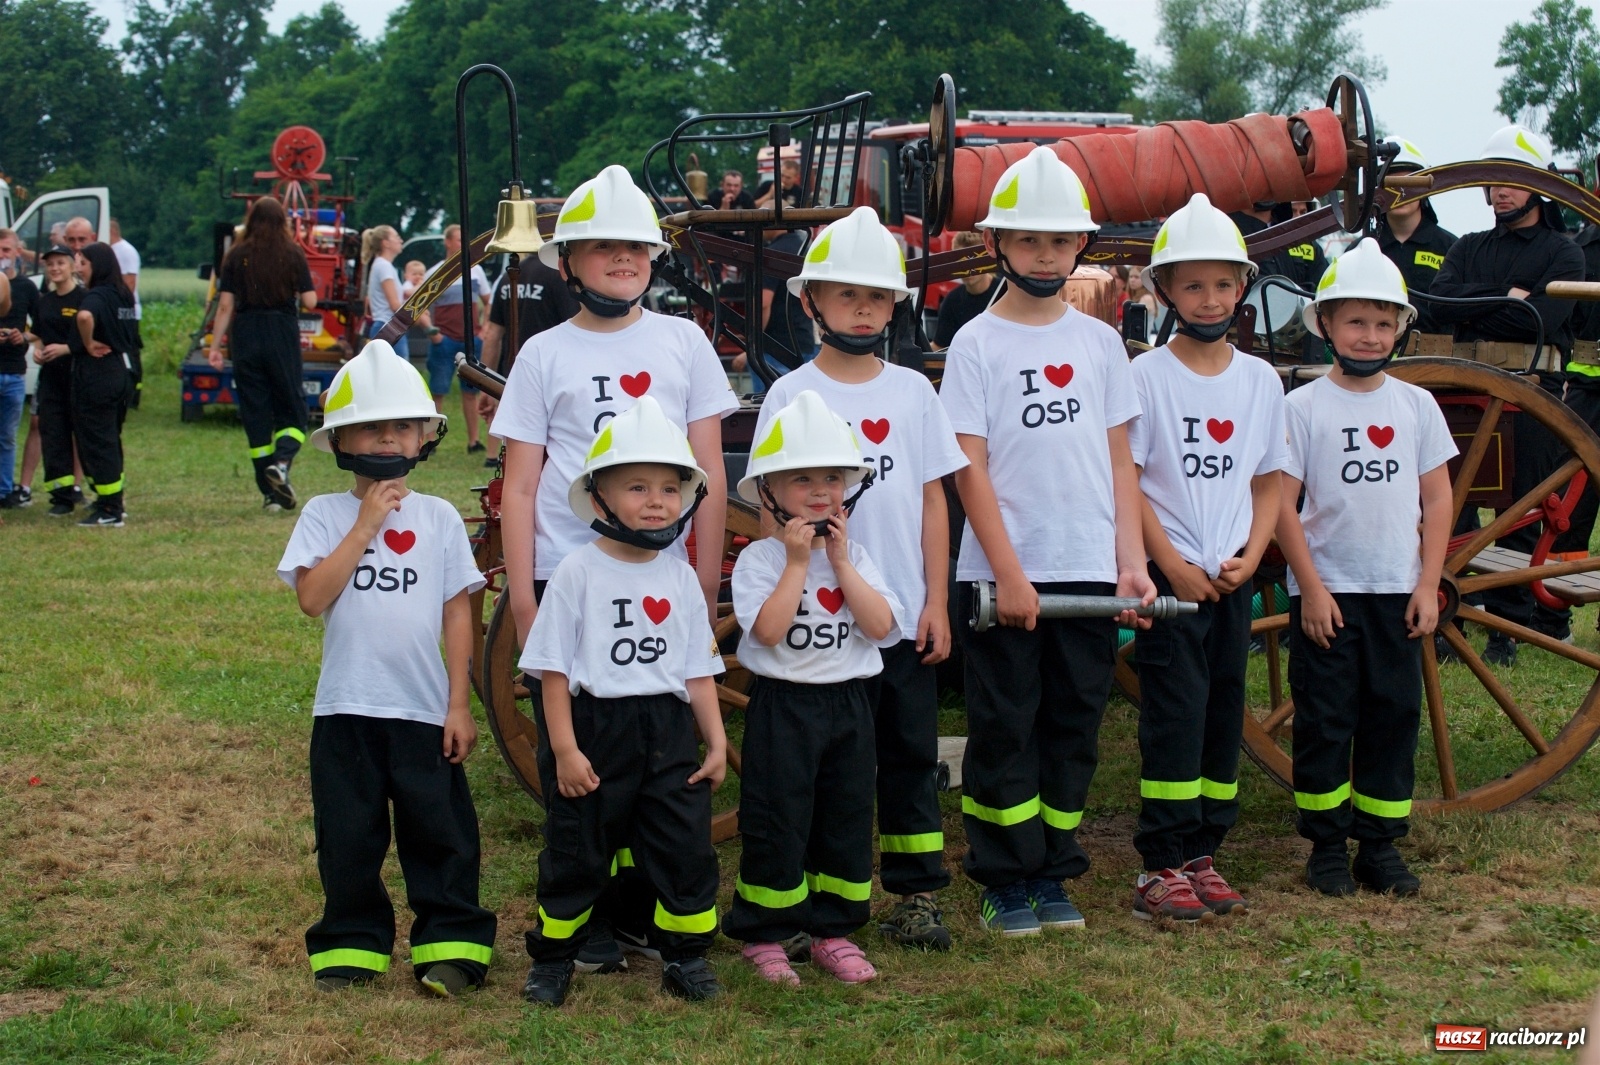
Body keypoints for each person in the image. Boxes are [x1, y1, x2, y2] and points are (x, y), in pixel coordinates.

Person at [490, 165, 736, 972]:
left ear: (654, 257)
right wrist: (526, 597)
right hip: (574, 577)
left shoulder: (683, 341)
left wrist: (699, 579)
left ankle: (638, 914)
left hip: (662, 574)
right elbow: (521, 485)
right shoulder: (542, 354)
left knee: (655, 761)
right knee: (588, 768)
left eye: (635, 246)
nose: (621, 259)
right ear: (570, 262)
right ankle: (585, 921)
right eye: (602, 248)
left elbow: (708, 469)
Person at [939, 146, 1154, 935]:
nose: (1043, 254)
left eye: (1058, 241)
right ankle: (1002, 875)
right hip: (1005, 581)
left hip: (1090, 572)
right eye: (1027, 239)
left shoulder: (1099, 346)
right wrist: (1009, 571)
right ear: (998, 244)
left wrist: (1130, 562)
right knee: (1005, 726)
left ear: (1080, 248)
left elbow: (1120, 463)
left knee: (1072, 727)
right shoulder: (975, 344)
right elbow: (970, 468)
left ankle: (1052, 869)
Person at [752, 207, 969, 950]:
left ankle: (915, 894)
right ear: (811, 301)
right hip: (819, 631)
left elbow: (935, 500)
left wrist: (935, 599)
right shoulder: (789, 397)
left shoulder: (913, 393)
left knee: (908, 755)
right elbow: (764, 504)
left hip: (893, 616)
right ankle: (816, 895)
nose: (862, 308)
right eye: (846, 295)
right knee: (825, 770)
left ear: (894, 306)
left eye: (876, 296)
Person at [277, 340, 497, 996]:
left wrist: (460, 703)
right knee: (348, 835)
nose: (390, 438)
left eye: (403, 425)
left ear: (425, 436)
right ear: (341, 437)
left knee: (442, 833)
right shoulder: (324, 515)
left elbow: (459, 614)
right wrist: (365, 525)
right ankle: (351, 945)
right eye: (373, 426)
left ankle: (452, 943)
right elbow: (313, 597)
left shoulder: (436, 519)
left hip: (424, 709)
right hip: (345, 709)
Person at [518, 398, 729, 1007]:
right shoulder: (577, 572)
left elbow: (696, 669)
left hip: (667, 732)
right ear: (601, 497)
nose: (657, 500)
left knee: (684, 848)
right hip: (595, 730)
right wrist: (564, 749)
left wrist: (714, 740)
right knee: (576, 850)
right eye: (637, 486)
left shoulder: (679, 576)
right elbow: (552, 672)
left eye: (669, 486)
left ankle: (685, 956)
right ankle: (555, 956)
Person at [1277, 239, 1455, 898]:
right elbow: (1284, 508)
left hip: (1396, 593)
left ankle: (1379, 846)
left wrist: (1428, 582)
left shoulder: (1415, 407)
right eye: (1356, 321)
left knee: (1392, 715)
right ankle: (1325, 845)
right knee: (1325, 719)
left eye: (1384, 323)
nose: (1371, 335)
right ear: (1324, 324)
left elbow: (1437, 499)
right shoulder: (1302, 409)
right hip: (1331, 595)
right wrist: (1312, 588)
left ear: (1401, 328)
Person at [1126, 194, 1287, 921]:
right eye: (1192, 284)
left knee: (1225, 708)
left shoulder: (1259, 380)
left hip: (1230, 577)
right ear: (1164, 291)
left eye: (1224, 283)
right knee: (1175, 713)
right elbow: (1129, 480)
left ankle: (1203, 851)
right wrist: (1173, 565)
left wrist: (1253, 556)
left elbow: (1269, 477)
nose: (1210, 298)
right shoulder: (1147, 376)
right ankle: (1160, 861)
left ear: (1243, 287)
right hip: (1175, 577)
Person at [725, 389, 901, 984]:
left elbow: (880, 627)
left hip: (851, 703)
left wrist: (842, 564)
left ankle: (834, 930)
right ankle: (766, 935)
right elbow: (769, 633)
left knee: (845, 815)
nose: (821, 490)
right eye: (802, 478)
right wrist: (799, 564)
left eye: (832, 476)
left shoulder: (860, 556)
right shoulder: (761, 561)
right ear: (770, 491)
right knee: (778, 815)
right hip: (785, 705)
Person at [1431, 124, 1586, 663]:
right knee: (1449, 513)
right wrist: (1507, 297)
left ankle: (1507, 632)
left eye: (1512, 181)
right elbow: (1435, 304)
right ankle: (1447, 617)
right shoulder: (1469, 247)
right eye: (1492, 182)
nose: (1500, 191)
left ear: (1538, 187)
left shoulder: (1564, 254)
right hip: (1462, 394)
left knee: (1521, 517)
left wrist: (1476, 304)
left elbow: (1541, 319)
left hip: (1530, 399)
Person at [207, 197, 319, 512]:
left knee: (255, 411)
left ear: (252, 220)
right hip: (280, 332)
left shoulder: (236, 255)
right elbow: (310, 301)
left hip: (245, 335)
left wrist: (215, 347)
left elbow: (225, 305)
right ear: (283, 222)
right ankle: (282, 463)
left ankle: (270, 494)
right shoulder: (293, 253)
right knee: (293, 407)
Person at [476, 255, 579, 467]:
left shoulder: (508, 277)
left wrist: (486, 383)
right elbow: (576, 327)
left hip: (513, 369)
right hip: (554, 373)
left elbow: (493, 334)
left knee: (515, 441)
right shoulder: (560, 275)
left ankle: (491, 455)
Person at [70, 243, 136, 527]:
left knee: (99, 441)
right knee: (110, 437)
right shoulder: (123, 295)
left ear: (97, 265)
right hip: (121, 370)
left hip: (97, 373)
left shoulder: (96, 296)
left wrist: (87, 343)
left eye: (82, 263)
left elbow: (84, 317)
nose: (78, 269)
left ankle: (110, 510)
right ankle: (113, 500)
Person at [421, 226, 492, 454]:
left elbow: (489, 302)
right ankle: (430, 440)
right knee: (437, 391)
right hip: (445, 341)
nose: (465, 244)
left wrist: (484, 330)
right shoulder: (436, 273)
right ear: (448, 242)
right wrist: (434, 333)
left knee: (471, 393)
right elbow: (419, 308)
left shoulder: (476, 271)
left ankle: (474, 441)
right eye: (460, 240)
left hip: (471, 341)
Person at [1375, 139, 1456, 336]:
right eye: (1393, 183)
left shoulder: (1453, 248)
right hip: (1373, 356)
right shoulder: (1362, 250)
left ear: (1424, 188)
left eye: (1408, 182)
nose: (1401, 192)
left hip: (1438, 360)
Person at [27, 245, 85, 516]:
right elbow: (38, 334)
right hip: (50, 378)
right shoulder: (44, 302)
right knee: (52, 432)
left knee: (82, 432)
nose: (55, 269)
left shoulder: (85, 299)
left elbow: (93, 339)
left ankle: (84, 489)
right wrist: (38, 351)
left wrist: (66, 348)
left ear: (73, 265)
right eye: (50, 264)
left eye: (61, 263)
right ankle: (60, 497)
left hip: (79, 375)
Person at [731, 224, 814, 392]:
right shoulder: (806, 250)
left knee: (772, 408)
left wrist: (753, 346)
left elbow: (763, 302)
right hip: (804, 343)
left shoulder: (770, 254)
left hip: (774, 350)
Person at [0, 228, 39, 508]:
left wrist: (22, 336)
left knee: (7, 435)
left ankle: (3, 491)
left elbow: (42, 325)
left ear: (16, 252)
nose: (1, 256)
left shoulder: (26, 287)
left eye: (6, 250)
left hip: (13, 370)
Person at [932, 231, 997, 349]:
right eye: (962, 263)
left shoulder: (1005, 291)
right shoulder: (952, 301)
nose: (969, 269)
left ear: (986, 259)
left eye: (974, 261)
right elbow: (939, 347)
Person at [109, 219, 143, 409]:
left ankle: (133, 395)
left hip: (127, 312)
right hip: (116, 311)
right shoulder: (111, 250)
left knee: (130, 353)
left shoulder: (126, 251)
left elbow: (129, 283)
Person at [362, 226, 404, 337]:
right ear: (386, 243)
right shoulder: (384, 266)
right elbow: (394, 305)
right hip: (389, 326)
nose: (401, 240)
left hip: (384, 326)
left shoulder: (381, 265)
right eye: (396, 237)